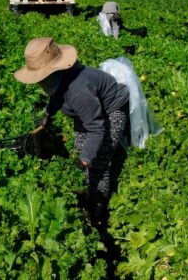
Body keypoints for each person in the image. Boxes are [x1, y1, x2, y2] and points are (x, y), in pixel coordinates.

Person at [14, 37, 130, 224]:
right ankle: (85, 187)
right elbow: (58, 96)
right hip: (88, 109)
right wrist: (48, 114)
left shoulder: (78, 92)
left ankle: (98, 209)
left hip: (112, 109)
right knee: (80, 147)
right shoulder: (61, 80)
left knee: (98, 161)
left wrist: (85, 160)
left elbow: (97, 128)